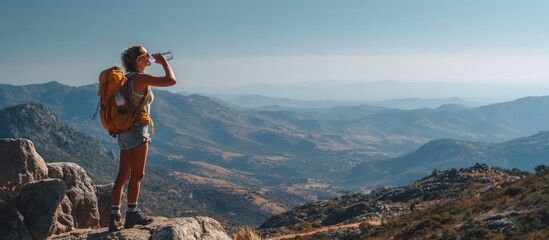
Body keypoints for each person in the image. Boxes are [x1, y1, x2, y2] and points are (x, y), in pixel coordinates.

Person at [109, 45, 176, 231]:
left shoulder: (125, 79)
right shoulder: (140, 78)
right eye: (146, 55)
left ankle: (114, 216)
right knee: (138, 175)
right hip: (138, 131)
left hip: (123, 130)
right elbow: (171, 81)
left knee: (123, 175)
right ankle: (132, 213)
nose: (149, 57)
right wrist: (164, 63)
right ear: (138, 60)